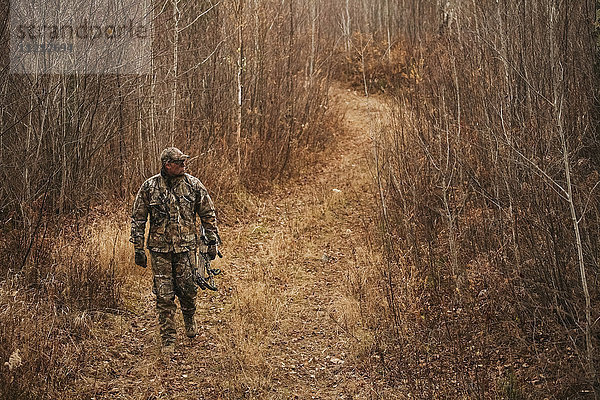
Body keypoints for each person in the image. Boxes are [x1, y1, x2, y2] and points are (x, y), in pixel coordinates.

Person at [129, 147, 220, 358]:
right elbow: (138, 218)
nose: (184, 165)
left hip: (187, 249)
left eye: (184, 161)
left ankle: (189, 318)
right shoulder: (149, 187)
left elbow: (208, 213)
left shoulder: (193, 185)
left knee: (188, 290)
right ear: (167, 164)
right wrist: (138, 247)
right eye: (179, 162)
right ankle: (168, 337)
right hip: (159, 250)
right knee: (164, 295)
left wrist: (212, 241)